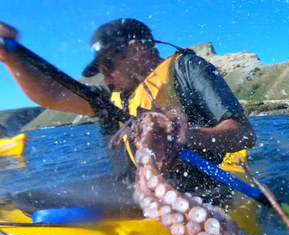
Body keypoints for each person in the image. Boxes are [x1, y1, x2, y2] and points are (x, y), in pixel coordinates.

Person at [0, 19, 256, 203]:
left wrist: (181, 136)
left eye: (109, 64)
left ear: (136, 49)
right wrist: (9, 57)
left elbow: (244, 134)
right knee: (25, 200)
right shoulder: (112, 98)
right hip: (133, 189)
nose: (107, 76)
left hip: (199, 192)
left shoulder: (186, 69)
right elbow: (51, 94)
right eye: (101, 69)